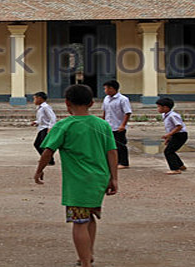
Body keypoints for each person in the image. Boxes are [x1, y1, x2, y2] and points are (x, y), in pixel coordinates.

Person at [34, 84, 118, 267]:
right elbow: (112, 152)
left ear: (66, 103)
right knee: (90, 217)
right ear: (91, 103)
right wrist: (114, 178)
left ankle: (85, 261)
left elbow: (48, 151)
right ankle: (88, 254)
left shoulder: (63, 125)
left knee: (79, 222)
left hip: (78, 183)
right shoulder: (102, 125)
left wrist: (39, 170)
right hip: (99, 179)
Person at [101, 80, 132, 169]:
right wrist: (103, 121)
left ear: (111, 88)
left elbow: (127, 112)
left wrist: (123, 125)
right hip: (108, 125)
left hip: (118, 126)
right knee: (110, 144)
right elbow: (105, 111)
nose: (105, 90)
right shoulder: (106, 98)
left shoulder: (123, 99)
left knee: (120, 145)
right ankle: (115, 161)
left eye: (106, 88)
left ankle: (124, 162)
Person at [156, 97, 188, 175]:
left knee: (168, 151)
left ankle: (175, 169)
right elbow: (170, 128)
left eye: (159, 107)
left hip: (180, 135)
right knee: (170, 150)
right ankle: (180, 165)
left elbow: (179, 126)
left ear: (166, 107)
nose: (158, 109)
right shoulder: (165, 115)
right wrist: (168, 138)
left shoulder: (173, 116)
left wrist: (169, 135)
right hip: (175, 134)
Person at [31, 91, 57, 165]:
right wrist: (36, 122)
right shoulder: (40, 107)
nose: (34, 101)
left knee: (43, 145)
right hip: (41, 128)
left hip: (46, 128)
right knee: (37, 144)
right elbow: (42, 118)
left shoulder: (45, 107)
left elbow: (52, 117)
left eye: (35, 99)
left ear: (40, 98)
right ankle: (45, 158)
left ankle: (50, 160)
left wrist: (50, 127)